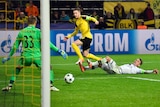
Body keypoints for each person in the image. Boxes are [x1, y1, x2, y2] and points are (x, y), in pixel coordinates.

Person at [1, 16, 68, 92]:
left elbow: (15, 46)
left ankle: (9, 86)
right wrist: (59, 50)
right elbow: (47, 43)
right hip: (37, 57)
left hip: (25, 57)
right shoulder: (38, 31)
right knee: (49, 68)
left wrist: (9, 56)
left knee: (17, 69)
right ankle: (50, 85)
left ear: (27, 22)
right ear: (35, 22)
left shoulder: (21, 32)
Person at [63, 8, 101, 72]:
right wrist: (68, 36)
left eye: (76, 13)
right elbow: (76, 32)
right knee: (86, 54)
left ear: (79, 13)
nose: (75, 15)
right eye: (74, 13)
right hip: (86, 38)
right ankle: (100, 59)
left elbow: (91, 18)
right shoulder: (76, 22)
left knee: (73, 44)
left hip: (87, 37)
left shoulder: (83, 17)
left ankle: (81, 58)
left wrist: (95, 21)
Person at [84, 56, 159, 74]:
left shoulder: (137, 69)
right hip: (114, 70)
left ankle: (92, 64)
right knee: (101, 63)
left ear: (139, 65)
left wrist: (153, 71)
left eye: (138, 61)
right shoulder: (130, 64)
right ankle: (86, 68)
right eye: (136, 60)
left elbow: (145, 71)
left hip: (117, 70)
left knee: (107, 58)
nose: (136, 61)